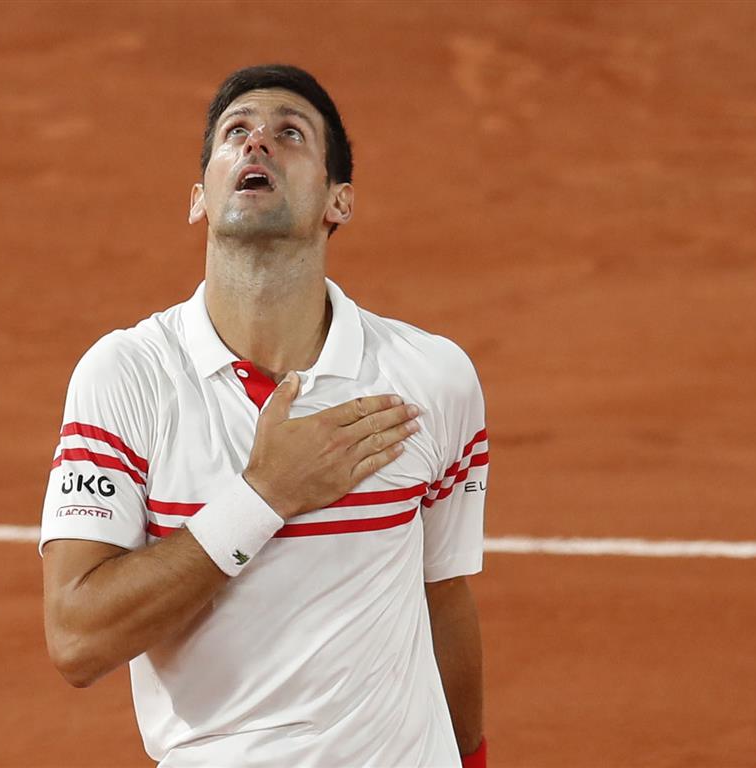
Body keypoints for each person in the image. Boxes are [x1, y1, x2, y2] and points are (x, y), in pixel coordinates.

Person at [40, 64, 489, 768]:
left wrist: (473, 759)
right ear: (198, 199)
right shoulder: (127, 376)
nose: (257, 146)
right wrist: (265, 496)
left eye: (289, 134)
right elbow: (77, 640)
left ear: (337, 201)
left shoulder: (430, 377)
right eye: (236, 133)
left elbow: (443, 595)